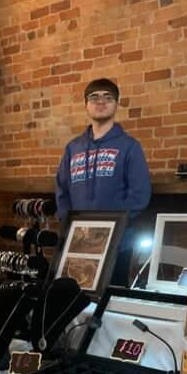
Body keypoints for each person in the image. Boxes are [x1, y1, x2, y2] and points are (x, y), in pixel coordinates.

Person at [55, 78, 151, 285]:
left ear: (116, 104)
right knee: (76, 297)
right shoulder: (73, 148)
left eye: (108, 97)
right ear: (86, 104)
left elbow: (139, 195)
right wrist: (70, 224)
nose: (101, 102)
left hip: (117, 241)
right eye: (94, 97)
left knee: (110, 301)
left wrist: (108, 226)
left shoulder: (129, 146)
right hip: (79, 240)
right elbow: (62, 191)